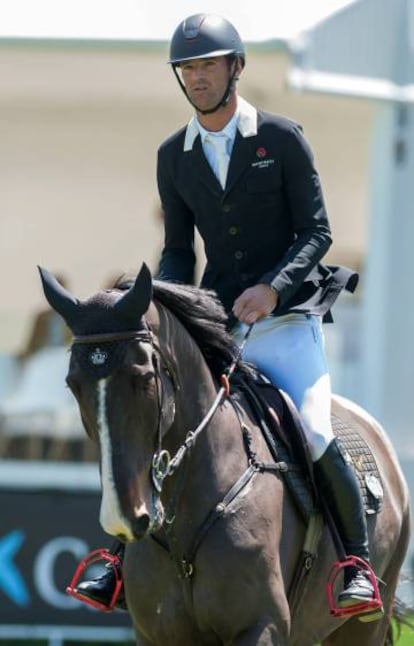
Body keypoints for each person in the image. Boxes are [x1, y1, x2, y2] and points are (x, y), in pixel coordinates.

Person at [73, 13, 382, 620]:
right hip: (220, 323)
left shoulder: (281, 138)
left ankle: (356, 564)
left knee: (314, 430)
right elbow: (180, 250)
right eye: (187, 68)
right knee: (164, 421)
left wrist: (272, 288)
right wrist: (165, 305)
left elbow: (316, 231)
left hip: (287, 321)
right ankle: (117, 557)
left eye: (208, 65)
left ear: (235, 68)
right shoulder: (174, 156)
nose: (198, 77)